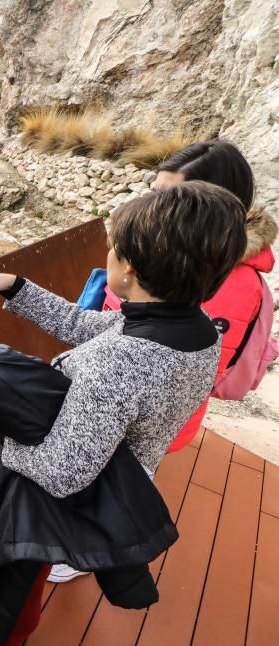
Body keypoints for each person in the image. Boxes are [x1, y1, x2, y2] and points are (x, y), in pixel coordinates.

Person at [0, 181, 248, 646]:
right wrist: (17, 288)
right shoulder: (197, 329)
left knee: (18, 575)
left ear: (128, 269)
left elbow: (64, 474)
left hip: (78, 485)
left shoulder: (123, 364)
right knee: (27, 571)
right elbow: (90, 328)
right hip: (126, 467)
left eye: (113, 245)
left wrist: (12, 447)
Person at [55, 139, 276, 584]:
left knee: (118, 479)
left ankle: (81, 553)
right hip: (124, 394)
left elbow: (184, 363)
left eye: (166, 195)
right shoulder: (177, 253)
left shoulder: (229, 282)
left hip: (145, 414)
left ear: (205, 204)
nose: (151, 203)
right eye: (152, 190)